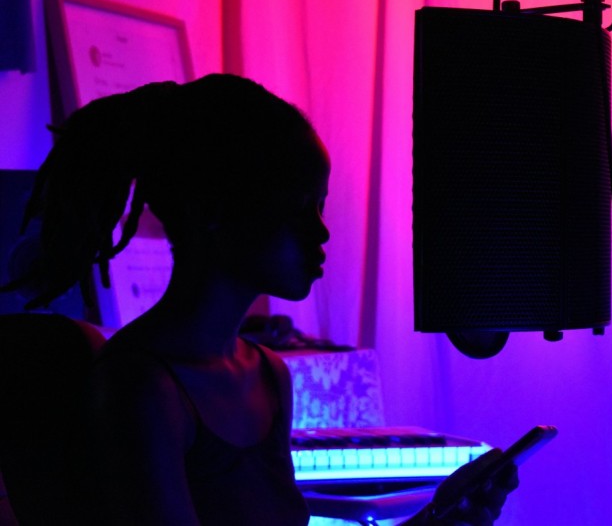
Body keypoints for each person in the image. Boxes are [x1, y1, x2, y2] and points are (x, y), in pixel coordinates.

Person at [8, 74, 517, 525]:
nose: (320, 232)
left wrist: (440, 519)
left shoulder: (269, 374)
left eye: (319, 207)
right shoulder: (139, 387)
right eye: (298, 207)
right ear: (213, 210)